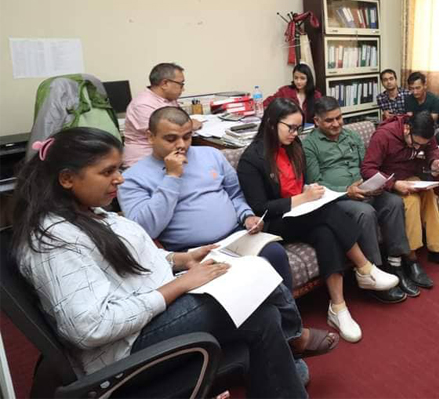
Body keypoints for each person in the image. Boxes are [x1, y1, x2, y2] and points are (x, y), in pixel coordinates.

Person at [11, 127, 339, 398]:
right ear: (67, 179)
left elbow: (130, 261)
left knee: (262, 308)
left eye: (119, 169)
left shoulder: (89, 212)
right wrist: (180, 285)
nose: (119, 179)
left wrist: (180, 259)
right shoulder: (54, 240)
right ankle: (293, 339)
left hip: (149, 317)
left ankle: (286, 368)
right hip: (125, 350)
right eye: (107, 172)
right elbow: (91, 327)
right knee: (252, 281)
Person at [237, 99, 400, 343]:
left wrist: (307, 192)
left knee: (326, 231)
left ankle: (338, 308)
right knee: (326, 212)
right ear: (271, 123)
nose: (295, 134)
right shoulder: (252, 159)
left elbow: (300, 181)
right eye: (291, 128)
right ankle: (365, 268)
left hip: (302, 214)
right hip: (274, 223)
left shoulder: (293, 145)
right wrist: (302, 199)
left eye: (298, 128)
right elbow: (261, 208)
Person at [118, 107, 296, 293]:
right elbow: (145, 230)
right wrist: (171, 178)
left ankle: (286, 312)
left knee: (274, 253)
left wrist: (247, 215)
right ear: (150, 137)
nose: (181, 145)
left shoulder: (211, 154)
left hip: (234, 237)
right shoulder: (132, 178)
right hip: (190, 251)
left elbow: (235, 193)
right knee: (230, 285)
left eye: (187, 137)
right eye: (171, 139)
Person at [303, 96, 417, 300]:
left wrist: (373, 183)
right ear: (317, 121)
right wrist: (347, 191)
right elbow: (315, 183)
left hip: (363, 190)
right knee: (365, 212)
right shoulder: (309, 145)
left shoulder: (352, 136)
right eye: (329, 120)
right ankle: (372, 274)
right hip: (337, 199)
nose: (336, 124)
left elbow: (366, 167)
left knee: (394, 202)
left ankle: (395, 265)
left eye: (339, 118)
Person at [361, 112, 439, 289]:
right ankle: (411, 258)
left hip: (410, 178)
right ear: (407, 128)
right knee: (411, 202)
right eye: (416, 143)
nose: (418, 147)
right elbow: (367, 169)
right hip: (389, 183)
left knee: (430, 196)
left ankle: (438, 250)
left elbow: (431, 148)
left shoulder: (423, 134)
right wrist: (394, 184)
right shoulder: (384, 136)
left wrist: (434, 161)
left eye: (421, 145)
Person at [122, 63, 202, 167]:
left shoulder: (169, 99)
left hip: (169, 154)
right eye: (181, 84)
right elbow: (169, 131)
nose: (183, 89)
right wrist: (191, 125)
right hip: (144, 160)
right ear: (165, 83)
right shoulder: (142, 104)